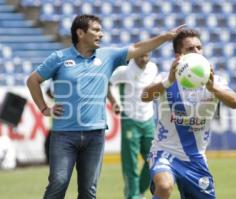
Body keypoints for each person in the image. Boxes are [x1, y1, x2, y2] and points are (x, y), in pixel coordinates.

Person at [26, 14, 184, 199]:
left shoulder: (108, 56)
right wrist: (45, 109)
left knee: (89, 191)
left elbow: (139, 47)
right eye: (96, 30)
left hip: (95, 135)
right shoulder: (59, 58)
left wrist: (165, 37)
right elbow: (33, 80)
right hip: (64, 135)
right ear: (80, 33)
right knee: (58, 182)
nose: (101, 34)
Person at [141, 29, 236, 199]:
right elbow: (144, 96)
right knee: (164, 187)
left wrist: (212, 88)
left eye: (199, 47)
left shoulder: (215, 81)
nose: (196, 51)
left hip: (195, 157)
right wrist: (168, 82)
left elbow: (235, 102)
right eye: (190, 49)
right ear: (179, 55)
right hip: (165, 152)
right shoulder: (166, 78)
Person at [108, 53, 158, 199]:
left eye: (147, 55)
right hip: (130, 120)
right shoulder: (124, 71)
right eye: (141, 55)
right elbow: (106, 83)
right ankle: (133, 196)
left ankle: (140, 191)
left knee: (154, 159)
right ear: (135, 55)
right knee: (131, 163)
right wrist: (114, 101)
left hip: (148, 120)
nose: (144, 58)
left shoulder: (153, 68)